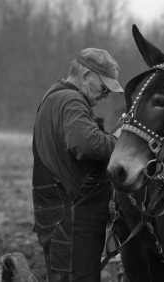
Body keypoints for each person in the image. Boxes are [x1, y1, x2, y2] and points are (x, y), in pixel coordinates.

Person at [32, 48, 123, 282]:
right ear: (85, 77)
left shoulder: (54, 96)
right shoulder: (71, 100)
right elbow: (86, 144)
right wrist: (120, 140)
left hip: (60, 214)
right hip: (72, 219)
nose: (105, 95)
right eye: (104, 87)